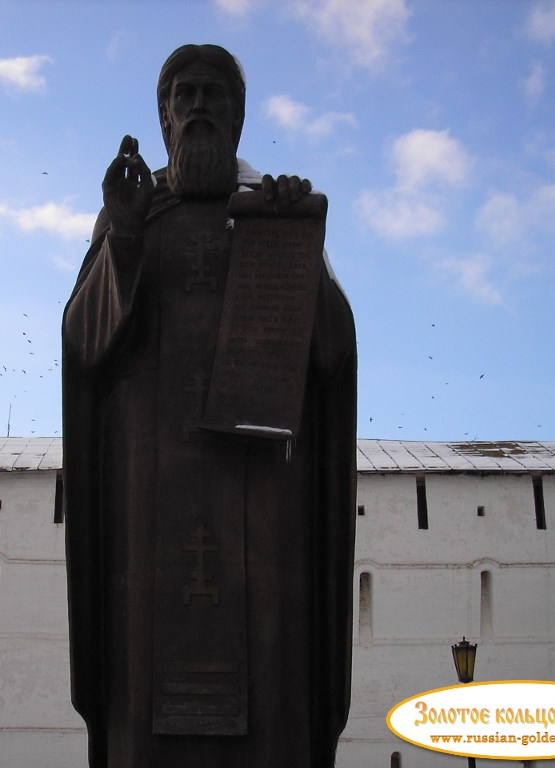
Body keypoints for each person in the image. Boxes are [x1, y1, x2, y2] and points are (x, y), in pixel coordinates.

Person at [62, 44, 357, 768]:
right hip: (148, 494)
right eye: (182, 94)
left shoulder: (270, 215)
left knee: (270, 671)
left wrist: (295, 243)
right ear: (162, 117)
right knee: (146, 667)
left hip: (263, 497)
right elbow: (84, 344)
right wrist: (125, 234)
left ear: (237, 116)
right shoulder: (133, 216)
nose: (197, 107)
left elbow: (331, 354)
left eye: (213, 95)